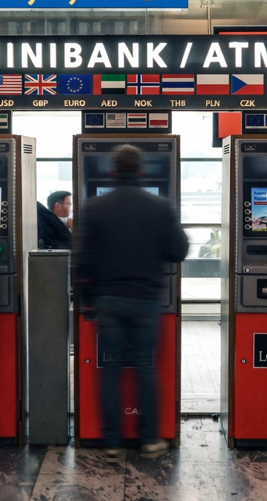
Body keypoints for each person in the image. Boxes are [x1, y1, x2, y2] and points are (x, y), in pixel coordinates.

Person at [73, 145, 188, 464]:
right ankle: (149, 439)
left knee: (109, 371)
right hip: (145, 300)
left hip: (108, 300)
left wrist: (88, 298)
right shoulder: (159, 205)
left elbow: (81, 260)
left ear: (111, 172)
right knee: (144, 368)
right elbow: (178, 251)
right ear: (141, 172)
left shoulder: (94, 207)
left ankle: (111, 442)